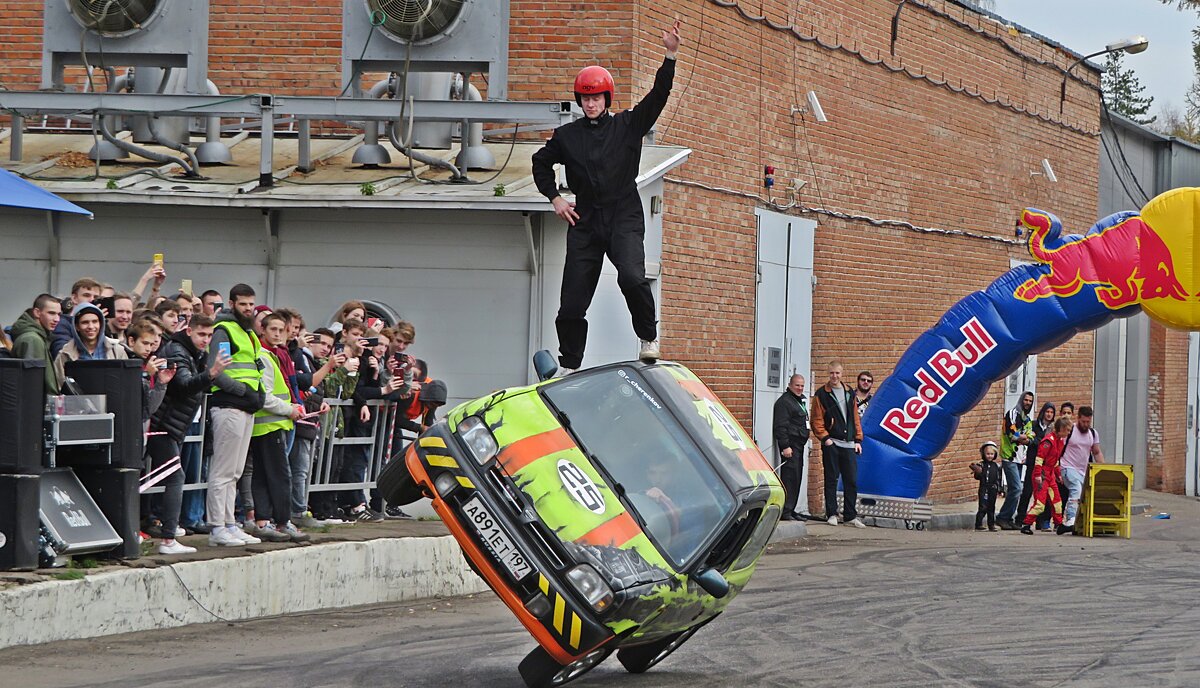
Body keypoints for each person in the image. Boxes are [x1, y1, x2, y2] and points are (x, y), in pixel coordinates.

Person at [531, 20, 683, 373]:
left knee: (631, 276)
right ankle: (569, 364)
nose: (591, 103)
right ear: (579, 100)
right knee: (571, 303)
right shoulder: (567, 136)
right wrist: (554, 197)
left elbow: (658, 97)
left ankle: (648, 337)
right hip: (584, 220)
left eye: (596, 97)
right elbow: (540, 163)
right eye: (585, 98)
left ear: (606, 98)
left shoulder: (628, 125)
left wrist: (670, 55)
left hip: (623, 214)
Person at [206, 284, 267, 547]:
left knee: (235, 471)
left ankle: (230, 523)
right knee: (223, 471)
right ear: (232, 303)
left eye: (251, 304)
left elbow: (255, 367)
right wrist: (244, 391)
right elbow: (217, 370)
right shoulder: (225, 330)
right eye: (243, 304)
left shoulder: (249, 333)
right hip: (230, 405)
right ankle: (217, 527)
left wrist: (258, 394)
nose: (248, 309)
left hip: (245, 405)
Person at [249, 312, 308, 542]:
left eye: (281, 330)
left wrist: (292, 405)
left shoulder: (273, 355)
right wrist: (290, 409)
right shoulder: (264, 356)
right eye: (272, 329)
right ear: (262, 330)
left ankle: (265, 521)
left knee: (264, 475)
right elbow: (266, 397)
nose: (277, 334)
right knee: (280, 475)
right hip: (270, 426)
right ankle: (282, 522)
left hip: (268, 425)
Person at [810, 361, 865, 528]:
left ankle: (850, 515)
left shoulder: (849, 392)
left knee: (851, 481)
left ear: (842, 374)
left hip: (849, 444)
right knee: (831, 479)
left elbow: (855, 417)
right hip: (832, 442)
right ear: (829, 374)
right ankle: (832, 513)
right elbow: (816, 420)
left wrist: (858, 439)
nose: (834, 376)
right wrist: (824, 438)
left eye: (837, 373)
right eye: (832, 373)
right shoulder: (822, 394)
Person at [53, 302, 128, 384]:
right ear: (77, 327)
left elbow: (126, 382)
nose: (91, 327)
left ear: (101, 323)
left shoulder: (117, 350)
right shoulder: (65, 353)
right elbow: (59, 385)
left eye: (95, 321)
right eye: (85, 322)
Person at [1022, 418, 1074, 535]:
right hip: (1043, 474)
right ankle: (1026, 524)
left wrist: (1057, 474)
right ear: (1061, 429)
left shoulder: (1059, 441)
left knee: (1057, 502)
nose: (1069, 433)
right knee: (1040, 504)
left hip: (1050, 474)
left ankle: (1059, 524)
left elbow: (1055, 461)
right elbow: (1039, 459)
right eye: (1067, 430)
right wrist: (1037, 475)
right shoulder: (1048, 441)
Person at [1060, 406, 1105, 532]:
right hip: (1067, 466)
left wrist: (1103, 468)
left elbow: (1096, 452)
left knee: (1085, 496)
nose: (1085, 424)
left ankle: (1081, 522)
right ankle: (1071, 519)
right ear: (1078, 418)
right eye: (1083, 421)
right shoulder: (1071, 430)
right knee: (1076, 488)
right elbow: (1059, 448)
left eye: (1088, 422)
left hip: (1083, 471)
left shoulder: (1093, 433)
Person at [772, 374, 810, 521]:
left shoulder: (797, 400)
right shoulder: (785, 402)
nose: (800, 388)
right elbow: (781, 426)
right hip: (791, 446)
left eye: (802, 385)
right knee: (789, 478)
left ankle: (791, 508)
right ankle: (786, 511)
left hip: (799, 446)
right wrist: (785, 446)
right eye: (797, 385)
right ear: (790, 385)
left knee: (796, 478)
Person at [10, 294, 63, 393]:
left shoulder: (37, 337)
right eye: (51, 313)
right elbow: (33, 384)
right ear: (37, 313)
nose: (57, 319)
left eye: (59, 314)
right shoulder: (32, 339)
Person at [996, 391, 1034, 530]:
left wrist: (1024, 438)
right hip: (1009, 456)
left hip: (1019, 459)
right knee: (1017, 488)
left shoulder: (1027, 419)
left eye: (1030, 401)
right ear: (1021, 400)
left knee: (1014, 489)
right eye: (1026, 400)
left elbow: (1031, 436)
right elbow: (1011, 432)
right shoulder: (1011, 413)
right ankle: (1002, 517)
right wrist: (1022, 437)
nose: (1027, 403)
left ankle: (1007, 518)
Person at [1016, 402, 1056, 529]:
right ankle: (1020, 519)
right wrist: (1033, 441)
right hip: (1033, 463)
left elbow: (1044, 443)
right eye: (1047, 412)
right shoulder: (1033, 425)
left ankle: (1041, 521)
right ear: (1043, 412)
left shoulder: (1053, 429)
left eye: (1051, 412)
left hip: (1046, 466)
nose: (1049, 414)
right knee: (1027, 491)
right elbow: (1024, 438)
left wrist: (1035, 441)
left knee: (1043, 495)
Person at [50, 277, 102, 357]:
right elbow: (62, 354)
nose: (91, 300)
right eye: (86, 295)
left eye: (96, 297)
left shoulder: (103, 323)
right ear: (74, 298)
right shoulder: (62, 324)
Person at [973, 441, 1003, 531]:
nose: (989, 456)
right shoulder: (981, 465)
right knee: (983, 507)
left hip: (993, 488)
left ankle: (991, 525)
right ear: (983, 454)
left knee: (991, 507)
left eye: (991, 454)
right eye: (987, 454)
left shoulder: (996, 466)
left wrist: (1000, 489)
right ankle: (978, 524)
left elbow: (999, 478)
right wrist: (978, 472)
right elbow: (977, 477)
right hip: (984, 488)